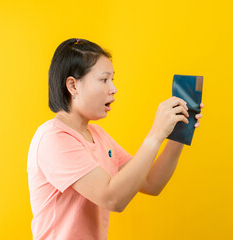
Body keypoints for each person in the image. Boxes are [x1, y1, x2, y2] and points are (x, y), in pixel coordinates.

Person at [27, 38, 204, 240]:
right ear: (73, 86)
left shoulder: (99, 136)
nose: (113, 88)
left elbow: (151, 182)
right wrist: (156, 133)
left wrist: (178, 132)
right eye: (104, 79)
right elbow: (112, 199)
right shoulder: (53, 139)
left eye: (112, 79)